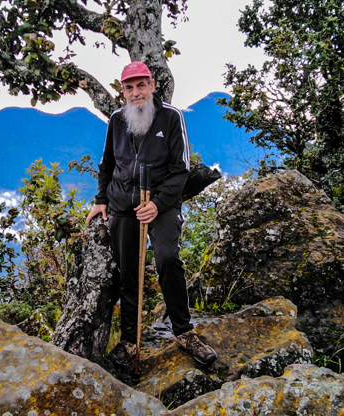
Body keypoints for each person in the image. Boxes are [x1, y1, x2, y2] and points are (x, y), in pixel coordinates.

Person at [85, 61, 217, 367]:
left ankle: (183, 332)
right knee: (128, 271)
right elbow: (107, 163)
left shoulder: (171, 117)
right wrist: (101, 199)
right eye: (129, 87)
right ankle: (129, 341)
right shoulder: (117, 120)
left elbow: (180, 169)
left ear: (152, 85)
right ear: (123, 91)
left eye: (141, 85)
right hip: (122, 204)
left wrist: (157, 204)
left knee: (168, 258)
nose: (136, 93)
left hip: (161, 203)